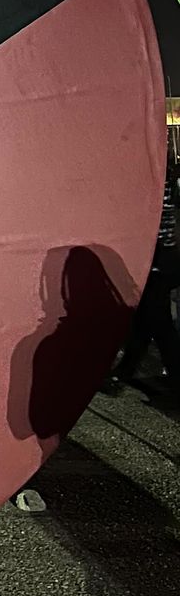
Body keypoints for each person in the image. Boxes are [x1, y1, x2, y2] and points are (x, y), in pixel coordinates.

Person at [106, 151, 180, 408]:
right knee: (148, 321)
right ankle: (123, 372)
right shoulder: (159, 172)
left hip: (157, 259)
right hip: (162, 257)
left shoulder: (151, 175)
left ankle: (172, 380)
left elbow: (147, 217)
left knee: (158, 323)